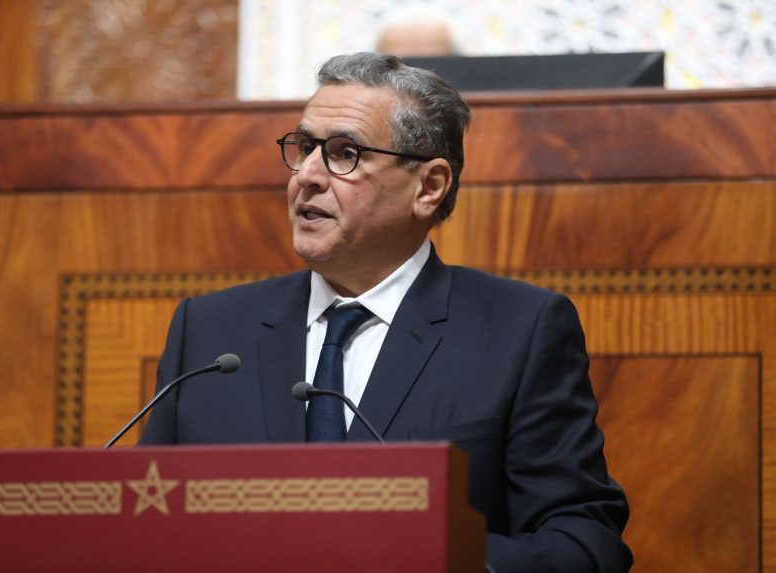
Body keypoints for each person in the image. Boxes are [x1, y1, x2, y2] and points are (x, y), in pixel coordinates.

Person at [140, 52, 632, 572]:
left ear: (429, 187)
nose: (307, 175)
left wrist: (434, 559)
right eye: (304, 148)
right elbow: (146, 525)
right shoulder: (209, 333)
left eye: (345, 153)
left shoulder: (519, 330)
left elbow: (585, 542)